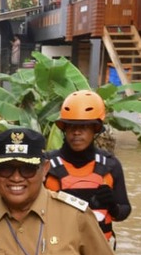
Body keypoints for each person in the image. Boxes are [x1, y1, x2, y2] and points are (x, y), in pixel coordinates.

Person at [44, 90, 131, 245]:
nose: (76, 132)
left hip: (99, 251)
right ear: (64, 129)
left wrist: (112, 206)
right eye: (71, 127)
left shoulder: (111, 165)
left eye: (83, 127)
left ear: (95, 129)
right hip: (57, 251)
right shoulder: (45, 165)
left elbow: (124, 211)